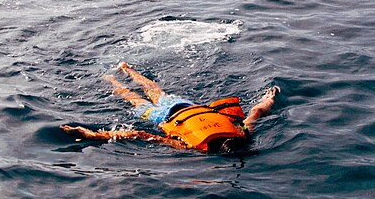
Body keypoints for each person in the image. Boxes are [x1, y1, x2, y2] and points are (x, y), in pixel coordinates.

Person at [62, 62, 279, 154]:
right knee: (133, 99)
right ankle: (110, 79)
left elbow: (257, 112)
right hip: (162, 116)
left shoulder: (242, 131)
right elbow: (140, 134)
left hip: (184, 105)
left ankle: (125, 69)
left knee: (153, 89)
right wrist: (90, 134)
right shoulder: (191, 146)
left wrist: (270, 97)